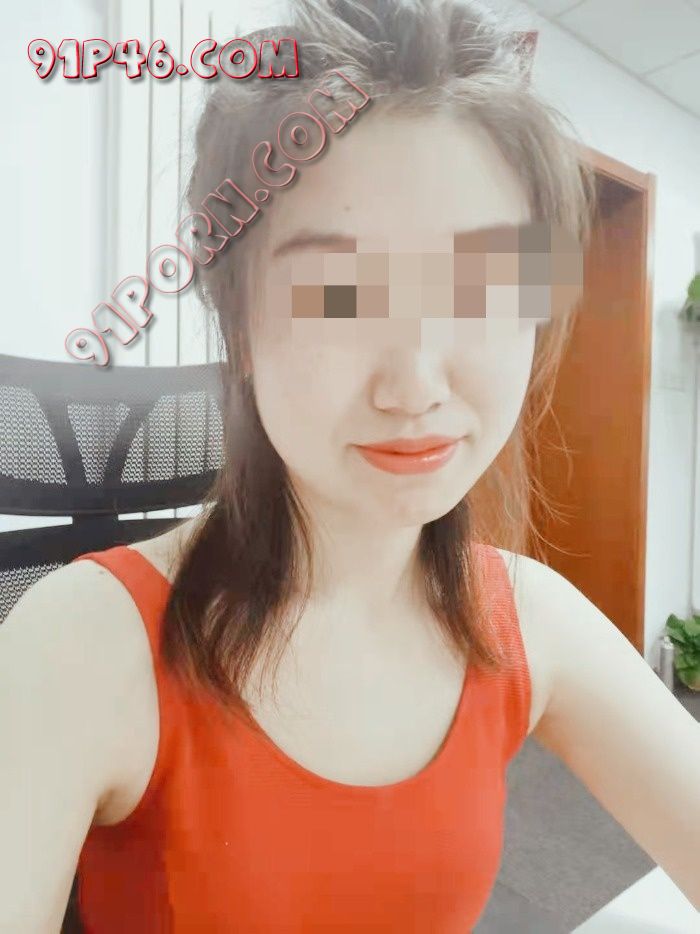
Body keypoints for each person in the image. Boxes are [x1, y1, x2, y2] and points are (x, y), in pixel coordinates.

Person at [2, 1, 699, 931]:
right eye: (337, 295)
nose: (415, 386)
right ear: (240, 326)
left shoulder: (529, 619)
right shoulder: (82, 645)